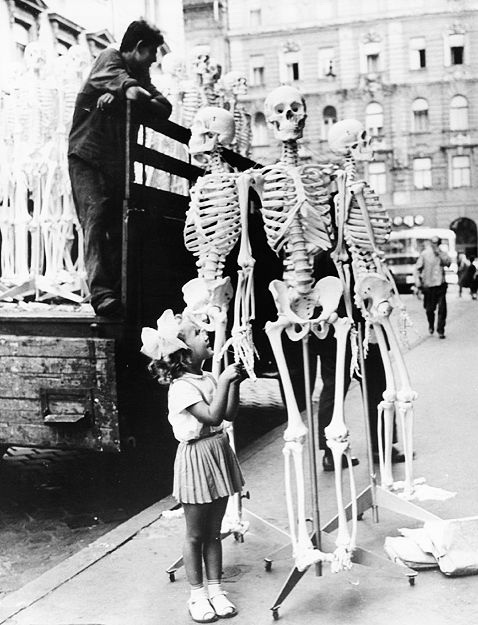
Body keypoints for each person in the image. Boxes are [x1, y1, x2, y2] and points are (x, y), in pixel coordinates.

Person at [141, 310, 245, 623]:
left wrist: (233, 382)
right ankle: (197, 594)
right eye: (199, 333)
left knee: (214, 531)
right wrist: (225, 379)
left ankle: (216, 589)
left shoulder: (209, 378)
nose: (207, 335)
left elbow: (228, 415)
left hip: (218, 452)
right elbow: (211, 417)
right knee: (196, 534)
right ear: (184, 354)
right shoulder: (181, 388)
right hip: (198, 458)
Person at [68, 20, 172, 316]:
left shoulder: (137, 73)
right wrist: (131, 93)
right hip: (87, 156)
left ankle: (116, 292)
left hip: (114, 160)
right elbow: (138, 95)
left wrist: (128, 93)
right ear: (138, 48)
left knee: (117, 223)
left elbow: (165, 108)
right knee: (96, 218)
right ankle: (101, 294)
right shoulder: (109, 58)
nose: (154, 59)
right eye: (152, 53)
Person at [415, 235, 451, 339]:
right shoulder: (425, 254)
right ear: (431, 243)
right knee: (429, 309)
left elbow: (448, 263)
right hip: (428, 285)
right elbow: (417, 268)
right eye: (434, 243)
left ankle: (440, 330)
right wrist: (417, 282)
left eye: (437, 243)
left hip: (441, 285)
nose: (435, 245)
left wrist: (439, 253)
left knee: (442, 309)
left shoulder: (442, 253)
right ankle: (431, 324)